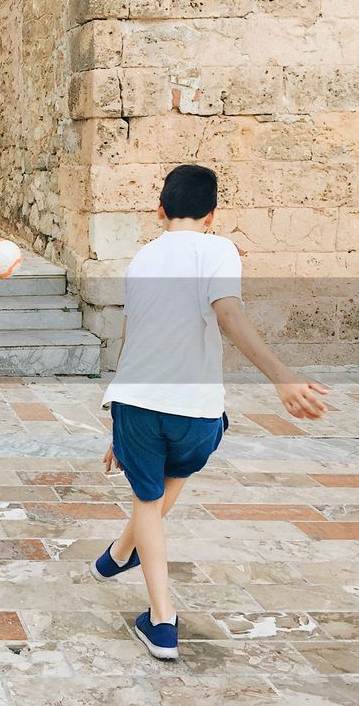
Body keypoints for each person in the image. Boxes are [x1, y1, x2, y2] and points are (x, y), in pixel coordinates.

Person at [92, 164, 329, 660]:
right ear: (213, 215)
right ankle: (127, 570)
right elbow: (228, 313)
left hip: (137, 401)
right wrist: (282, 378)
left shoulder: (139, 261)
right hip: (197, 411)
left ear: (159, 210)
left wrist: (119, 417)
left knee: (146, 496)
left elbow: (133, 339)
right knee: (158, 490)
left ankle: (156, 613)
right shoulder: (218, 247)